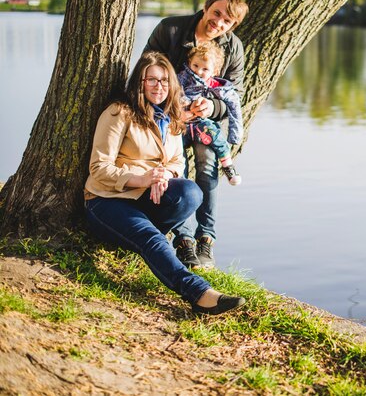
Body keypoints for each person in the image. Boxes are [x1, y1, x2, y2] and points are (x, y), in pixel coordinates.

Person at [84, 51, 245, 316]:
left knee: (190, 193)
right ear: (140, 82)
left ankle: (145, 240)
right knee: (151, 238)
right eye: (152, 80)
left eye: (164, 81)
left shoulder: (171, 118)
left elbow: (176, 162)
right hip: (107, 200)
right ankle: (199, 293)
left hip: (147, 198)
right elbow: (98, 168)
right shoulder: (119, 112)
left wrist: (163, 177)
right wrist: (142, 179)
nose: (159, 87)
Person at [144, 0, 249, 270]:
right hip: (167, 116)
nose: (219, 23)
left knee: (206, 163)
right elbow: (147, 72)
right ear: (206, 8)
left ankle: (206, 239)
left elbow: (233, 96)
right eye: (216, 13)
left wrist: (210, 108)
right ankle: (184, 240)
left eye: (227, 21)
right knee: (175, 169)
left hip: (203, 121)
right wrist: (175, 107)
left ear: (233, 25)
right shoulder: (171, 29)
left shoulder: (234, 49)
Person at [179, 41, 243, 188]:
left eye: (205, 69)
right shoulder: (182, 78)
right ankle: (183, 185)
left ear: (215, 71)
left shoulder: (216, 86)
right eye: (195, 65)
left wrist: (235, 133)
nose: (198, 71)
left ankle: (228, 166)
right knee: (176, 151)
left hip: (202, 124)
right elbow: (173, 94)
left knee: (216, 137)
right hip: (181, 124)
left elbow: (234, 105)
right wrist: (185, 104)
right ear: (190, 62)